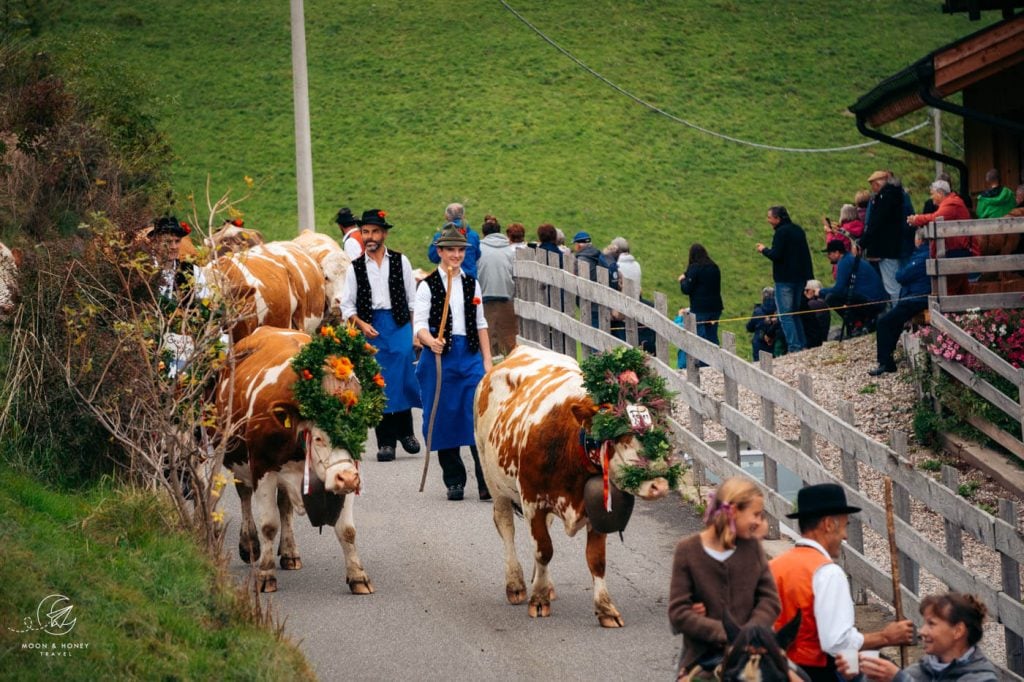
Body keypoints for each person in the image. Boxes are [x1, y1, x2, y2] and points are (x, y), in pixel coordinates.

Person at [770, 483, 914, 682]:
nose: (845, 535)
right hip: (816, 674)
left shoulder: (774, 566)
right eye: (845, 525)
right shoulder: (827, 572)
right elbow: (836, 642)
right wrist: (886, 638)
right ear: (829, 524)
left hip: (777, 670)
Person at [668, 477, 781, 681]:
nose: (758, 522)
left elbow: (770, 601)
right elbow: (678, 612)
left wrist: (748, 635)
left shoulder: (752, 548)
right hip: (703, 656)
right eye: (756, 514)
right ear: (735, 511)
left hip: (752, 653)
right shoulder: (687, 550)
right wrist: (726, 634)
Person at [414, 225, 492, 501]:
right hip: (440, 359)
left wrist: (487, 360)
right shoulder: (427, 286)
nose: (456, 255)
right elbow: (419, 325)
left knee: (476, 417)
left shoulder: (472, 283)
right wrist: (429, 340)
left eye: (460, 250)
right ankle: (454, 480)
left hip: (469, 356)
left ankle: (486, 482)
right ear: (440, 252)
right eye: (451, 250)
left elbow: (481, 324)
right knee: (444, 416)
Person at [341, 208, 421, 462]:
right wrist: (361, 324)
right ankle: (385, 441)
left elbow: (412, 300)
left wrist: (414, 333)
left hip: (398, 325)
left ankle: (407, 432)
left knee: (402, 376)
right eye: (366, 231)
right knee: (378, 383)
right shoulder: (355, 268)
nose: (370, 236)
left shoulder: (401, 261)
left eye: (375, 231)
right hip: (370, 326)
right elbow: (347, 305)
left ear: (384, 233)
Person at [837, 592, 998, 682]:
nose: (922, 631)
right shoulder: (925, 668)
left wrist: (898, 678)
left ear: (958, 631)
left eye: (931, 624)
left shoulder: (981, 678)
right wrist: (858, 675)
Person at [869, 230, 930, 376]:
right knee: (893, 322)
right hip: (916, 297)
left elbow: (901, 275)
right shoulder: (925, 253)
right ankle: (888, 360)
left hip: (916, 299)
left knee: (884, 323)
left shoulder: (921, 256)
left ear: (919, 240)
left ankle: (885, 362)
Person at [756, 206, 814, 353]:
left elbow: (776, 255)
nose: (768, 220)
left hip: (785, 279)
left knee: (785, 315)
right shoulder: (798, 230)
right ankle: (803, 344)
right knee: (794, 312)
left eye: (770, 217)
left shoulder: (781, 233)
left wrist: (764, 250)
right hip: (800, 278)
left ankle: (795, 347)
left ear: (778, 218)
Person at [908, 180, 975, 296]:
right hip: (957, 251)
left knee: (949, 292)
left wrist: (916, 219)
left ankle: (951, 313)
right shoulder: (952, 202)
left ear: (940, 193)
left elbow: (935, 217)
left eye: (932, 193)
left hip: (955, 252)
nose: (931, 196)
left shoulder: (951, 204)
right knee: (962, 291)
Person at [819, 240, 887, 337]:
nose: (828, 256)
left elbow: (838, 289)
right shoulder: (850, 259)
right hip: (876, 299)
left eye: (829, 253)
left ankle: (856, 324)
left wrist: (820, 292)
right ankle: (860, 322)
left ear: (837, 253)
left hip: (871, 302)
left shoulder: (844, 262)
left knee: (831, 298)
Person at [861, 170, 909, 304]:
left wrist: (862, 243)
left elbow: (875, 223)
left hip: (886, 249)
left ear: (877, 184)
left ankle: (898, 317)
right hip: (895, 247)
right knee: (895, 283)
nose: (873, 189)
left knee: (892, 286)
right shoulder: (898, 195)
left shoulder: (885, 198)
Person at [477, 214, 517, 357]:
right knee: (510, 340)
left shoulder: (478, 249)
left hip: (484, 298)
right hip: (506, 298)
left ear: (484, 233)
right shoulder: (510, 250)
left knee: (486, 340)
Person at [678, 243, 723, 369]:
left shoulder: (695, 268)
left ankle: (703, 363)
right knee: (712, 335)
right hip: (715, 308)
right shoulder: (714, 267)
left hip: (700, 309)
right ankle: (716, 362)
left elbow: (687, 289)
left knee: (700, 335)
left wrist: (682, 280)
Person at [427, 203, 482, 278]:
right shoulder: (473, 236)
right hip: (470, 279)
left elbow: (433, 258)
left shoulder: (439, 237)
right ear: (463, 216)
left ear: (446, 217)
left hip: (448, 279)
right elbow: (478, 255)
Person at [823, 204, 865, 277]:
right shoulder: (861, 225)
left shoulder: (844, 231)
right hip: (859, 262)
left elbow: (832, 245)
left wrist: (829, 232)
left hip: (845, 263)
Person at [746, 287, 781, 359]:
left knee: (758, 364)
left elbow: (749, 327)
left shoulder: (758, 311)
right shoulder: (778, 311)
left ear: (763, 297)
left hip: (759, 343)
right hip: (774, 343)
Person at [801, 280, 831, 349]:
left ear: (813, 290)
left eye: (807, 290)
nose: (805, 292)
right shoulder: (822, 302)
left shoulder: (813, 304)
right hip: (821, 338)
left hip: (814, 341)